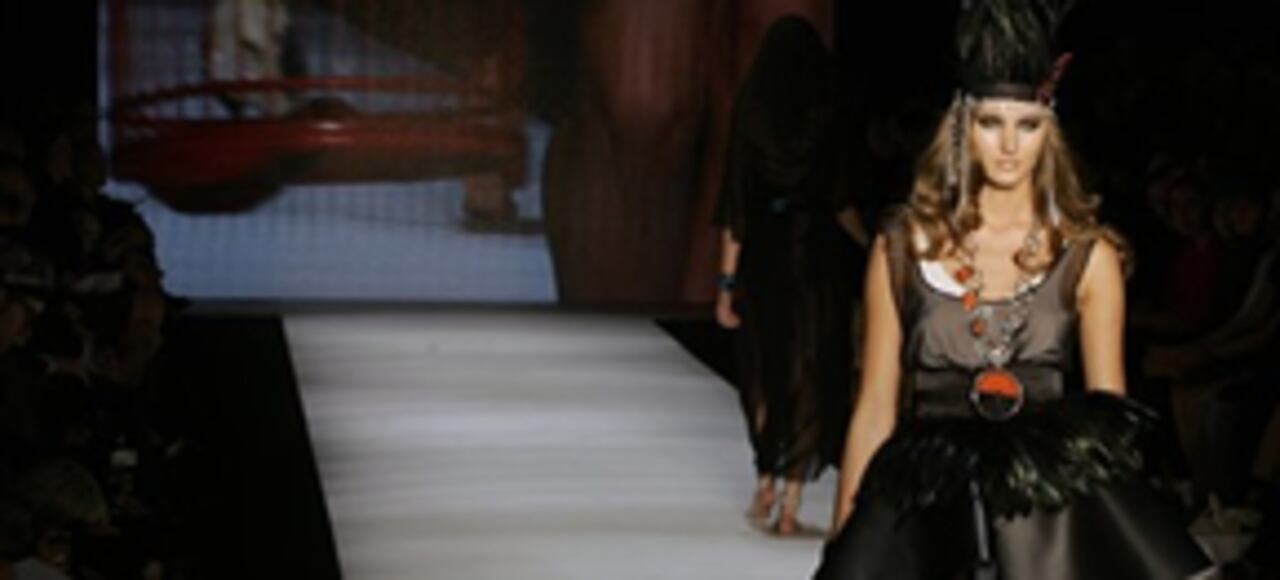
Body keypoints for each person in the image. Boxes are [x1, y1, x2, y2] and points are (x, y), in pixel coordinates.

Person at [813, 1, 1212, 577]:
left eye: (1027, 126)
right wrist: (843, 545)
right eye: (990, 123)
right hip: (927, 509)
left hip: (1044, 517)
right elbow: (875, 408)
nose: (1008, 145)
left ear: (1050, 130)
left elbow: (1109, 425)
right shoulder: (901, 248)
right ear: (962, 124)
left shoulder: (1088, 257)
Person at [713, 17, 865, 536]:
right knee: (811, 368)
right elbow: (841, 199)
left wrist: (725, 285)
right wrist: (871, 243)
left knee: (764, 365)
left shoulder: (751, 117)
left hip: (764, 253)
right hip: (817, 256)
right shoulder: (828, 116)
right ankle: (793, 502)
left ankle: (765, 478)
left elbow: (735, 208)